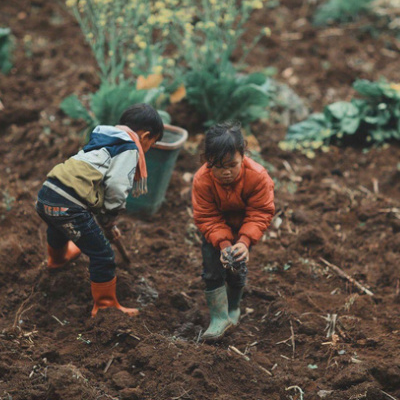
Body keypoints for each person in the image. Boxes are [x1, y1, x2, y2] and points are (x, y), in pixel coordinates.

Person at [35, 103, 163, 318]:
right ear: (146, 136)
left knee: (57, 226)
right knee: (103, 255)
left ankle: (57, 260)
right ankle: (105, 307)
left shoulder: (103, 138)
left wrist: (103, 219)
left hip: (47, 194)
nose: (148, 148)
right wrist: (110, 218)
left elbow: (91, 181)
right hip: (69, 205)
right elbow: (116, 186)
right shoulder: (129, 147)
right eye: (153, 143)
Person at [192, 122, 275, 341]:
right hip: (214, 230)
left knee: (237, 267)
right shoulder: (202, 180)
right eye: (218, 166)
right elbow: (206, 216)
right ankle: (219, 318)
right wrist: (222, 245)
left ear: (243, 155)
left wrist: (244, 242)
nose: (225, 172)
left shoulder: (257, 176)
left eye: (232, 164)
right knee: (212, 270)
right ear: (207, 161)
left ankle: (233, 307)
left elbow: (260, 211)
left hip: (242, 228)